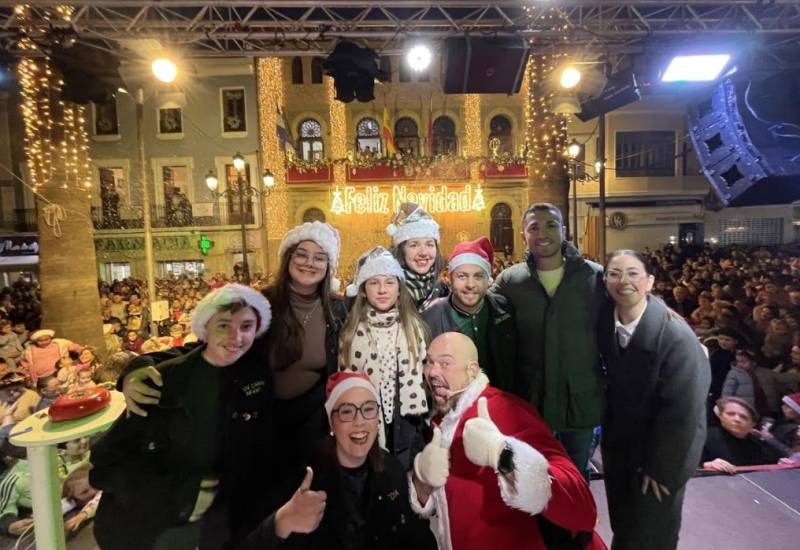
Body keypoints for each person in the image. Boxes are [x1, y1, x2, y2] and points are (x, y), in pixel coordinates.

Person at [90, 284, 274, 550]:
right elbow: (107, 460)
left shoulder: (256, 377)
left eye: (246, 327)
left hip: (212, 524)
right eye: (224, 325)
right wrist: (178, 493)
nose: (235, 337)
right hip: (148, 527)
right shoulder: (163, 381)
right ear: (205, 327)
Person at [409, 332, 604, 550]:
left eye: (445, 363)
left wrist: (503, 455)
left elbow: (582, 507)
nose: (432, 372)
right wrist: (422, 483)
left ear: (472, 370)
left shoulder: (507, 411)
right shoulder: (439, 424)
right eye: (429, 362)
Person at [240, 372, 436, 549]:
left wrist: (422, 493)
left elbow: (412, 538)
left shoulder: (391, 470)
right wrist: (282, 522)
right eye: (347, 411)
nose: (359, 421)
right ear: (331, 422)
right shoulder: (300, 477)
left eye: (368, 409)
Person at [597, 249, 710, 550]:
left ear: (650, 282)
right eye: (614, 274)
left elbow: (684, 412)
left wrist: (661, 469)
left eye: (633, 273)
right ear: (605, 281)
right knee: (624, 525)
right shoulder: (605, 321)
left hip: (662, 453)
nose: (624, 281)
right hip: (623, 445)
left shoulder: (676, 336)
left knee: (653, 533)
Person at [492, 202, 605, 474]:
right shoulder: (510, 281)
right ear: (523, 236)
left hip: (579, 402)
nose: (542, 233)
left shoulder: (594, 277)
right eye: (534, 227)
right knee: (531, 478)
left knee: (575, 477)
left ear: (564, 230)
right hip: (531, 403)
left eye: (551, 225)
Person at [340, 246, 429, 469]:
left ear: (399, 289)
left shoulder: (414, 328)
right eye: (374, 283)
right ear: (363, 290)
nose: (382, 290)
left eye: (389, 282)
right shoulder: (350, 333)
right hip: (365, 426)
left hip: (407, 426)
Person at [422, 236, 516, 388]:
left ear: (489, 278)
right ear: (449, 278)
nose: (470, 285)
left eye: (478, 276)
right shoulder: (429, 318)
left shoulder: (505, 308)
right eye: (462, 276)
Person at [387, 202, 449, 311]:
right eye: (414, 245)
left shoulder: (443, 290)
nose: (423, 252)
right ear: (401, 251)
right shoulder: (384, 289)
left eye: (430, 244)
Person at [702, 397, 781, 472]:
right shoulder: (704, 437)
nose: (737, 419)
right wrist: (707, 464)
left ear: (752, 424)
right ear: (720, 416)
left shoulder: (758, 444)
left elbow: (774, 462)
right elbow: (696, 463)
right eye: (730, 414)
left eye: (743, 417)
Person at [721, 348, 780, 418]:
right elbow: (727, 392)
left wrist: (773, 410)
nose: (739, 364)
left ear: (753, 362)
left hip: (762, 411)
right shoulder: (734, 374)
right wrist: (726, 407)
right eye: (737, 361)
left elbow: (771, 393)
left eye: (743, 362)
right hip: (742, 410)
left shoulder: (764, 373)